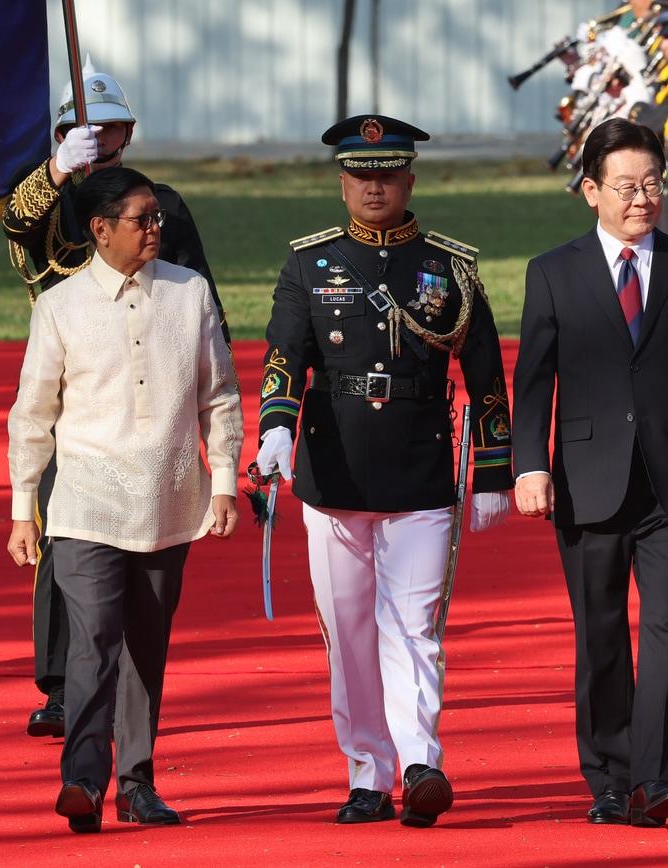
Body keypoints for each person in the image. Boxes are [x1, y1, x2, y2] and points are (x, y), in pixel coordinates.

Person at [253, 115, 514, 828]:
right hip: (334, 470)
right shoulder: (309, 265)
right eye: (361, 176)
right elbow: (284, 353)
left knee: (413, 626)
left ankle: (422, 762)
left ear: (410, 181)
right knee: (349, 634)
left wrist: (494, 469)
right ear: (342, 184)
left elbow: (485, 374)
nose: (375, 188)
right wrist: (276, 426)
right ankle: (368, 773)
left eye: (388, 175)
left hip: (419, 466)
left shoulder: (449, 267)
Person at [511, 117, 668, 827]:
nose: (642, 199)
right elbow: (534, 381)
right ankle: (609, 780)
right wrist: (529, 466)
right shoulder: (553, 272)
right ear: (590, 191)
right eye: (625, 187)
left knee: (667, 625)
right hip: (588, 481)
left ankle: (658, 778)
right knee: (602, 632)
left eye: (652, 184)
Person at [5, 166, 243, 833]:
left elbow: (219, 393)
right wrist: (23, 508)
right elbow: (32, 414)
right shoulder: (60, 306)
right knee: (92, 642)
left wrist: (224, 478)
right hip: (85, 502)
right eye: (142, 219)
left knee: (146, 648)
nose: (154, 229)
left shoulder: (190, 292)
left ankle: (137, 786)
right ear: (101, 228)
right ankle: (83, 780)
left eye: (157, 217)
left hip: (169, 501)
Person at [1, 61, 226, 740]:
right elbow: (17, 229)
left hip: (146, 381)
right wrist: (56, 173)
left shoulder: (161, 204)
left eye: (110, 128)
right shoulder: (55, 198)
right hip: (76, 385)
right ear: (63, 135)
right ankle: (61, 686)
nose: (98, 138)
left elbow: (199, 290)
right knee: (64, 538)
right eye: (84, 129)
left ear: (129, 132)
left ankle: (126, 685)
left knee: (144, 545)